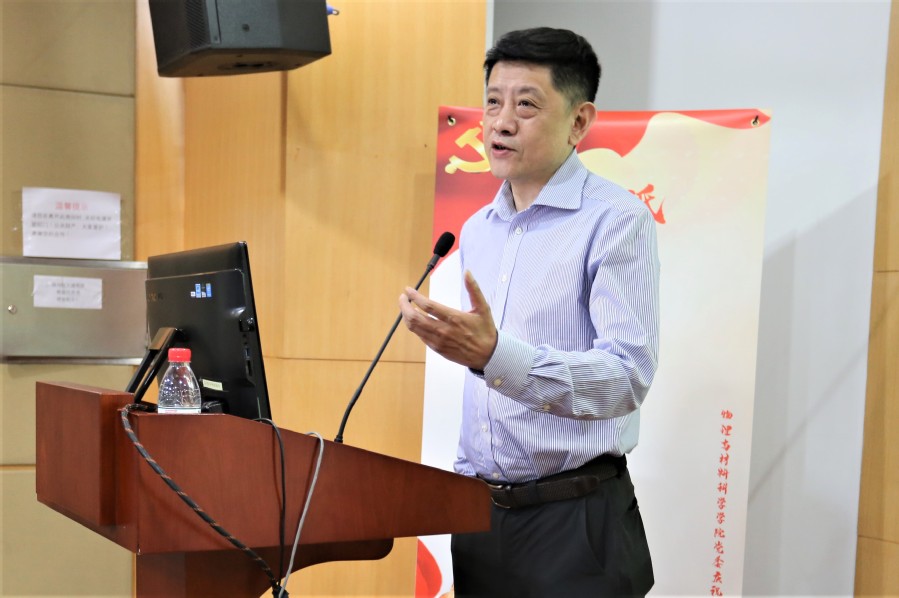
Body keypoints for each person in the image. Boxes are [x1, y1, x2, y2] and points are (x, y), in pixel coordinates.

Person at [399, 27, 659, 597]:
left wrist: (496, 356)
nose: (500, 122)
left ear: (579, 121)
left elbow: (627, 376)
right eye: (493, 102)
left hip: (575, 521)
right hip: (481, 517)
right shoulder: (477, 229)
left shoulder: (615, 220)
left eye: (526, 105)